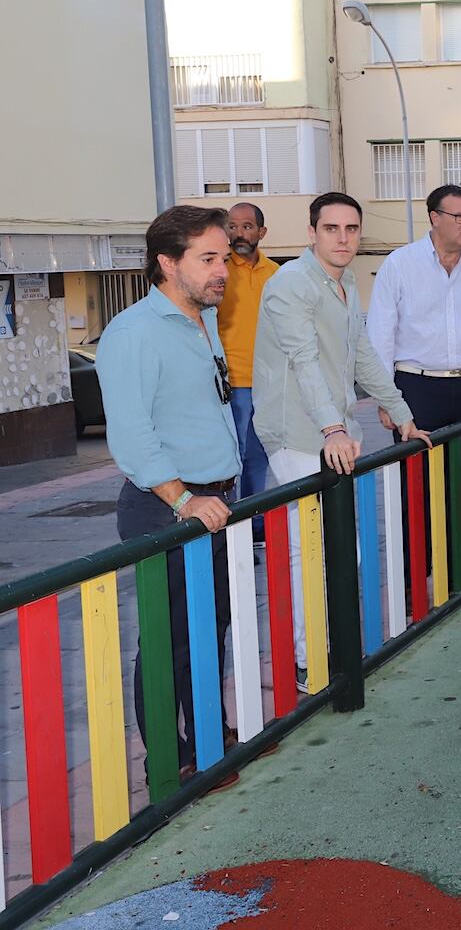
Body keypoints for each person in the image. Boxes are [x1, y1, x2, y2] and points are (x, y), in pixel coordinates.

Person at [253, 192, 430, 691]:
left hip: (335, 437)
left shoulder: (346, 282)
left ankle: (331, 649)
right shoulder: (290, 285)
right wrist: (332, 428)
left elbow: (364, 356)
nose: (343, 238)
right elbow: (304, 360)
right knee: (308, 552)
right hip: (298, 435)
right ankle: (308, 663)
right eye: (332, 228)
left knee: (338, 551)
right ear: (312, 232)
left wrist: (402, 416)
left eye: (351, 228)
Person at [97, 205, 240, 781]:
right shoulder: (134, 332)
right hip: (168, 508)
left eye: (223, 259)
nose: (221, 271)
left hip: (215, 503)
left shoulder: (201, 320)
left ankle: (209, 731)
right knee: (167, 638)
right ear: (167, 263)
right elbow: (133, 436)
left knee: (213, 626)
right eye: (207, 260)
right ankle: (170, 755)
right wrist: (183, 500)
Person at [367, 184, 461, 434]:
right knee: (417, 471)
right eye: (460, 216)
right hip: (417, 388)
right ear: (435, 218)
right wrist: (387, 399)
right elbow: (381, 336)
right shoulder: (399, 265)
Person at [216, 203, 277, 538]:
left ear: (261, 233)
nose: (239, 233)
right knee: (232, 459)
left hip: (268, 384)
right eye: (233, 227)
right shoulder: (220, 270)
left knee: (258, 458)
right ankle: (230, 529)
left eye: (247, 226)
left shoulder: (276, 273)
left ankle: (254, 527)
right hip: (232, 384)